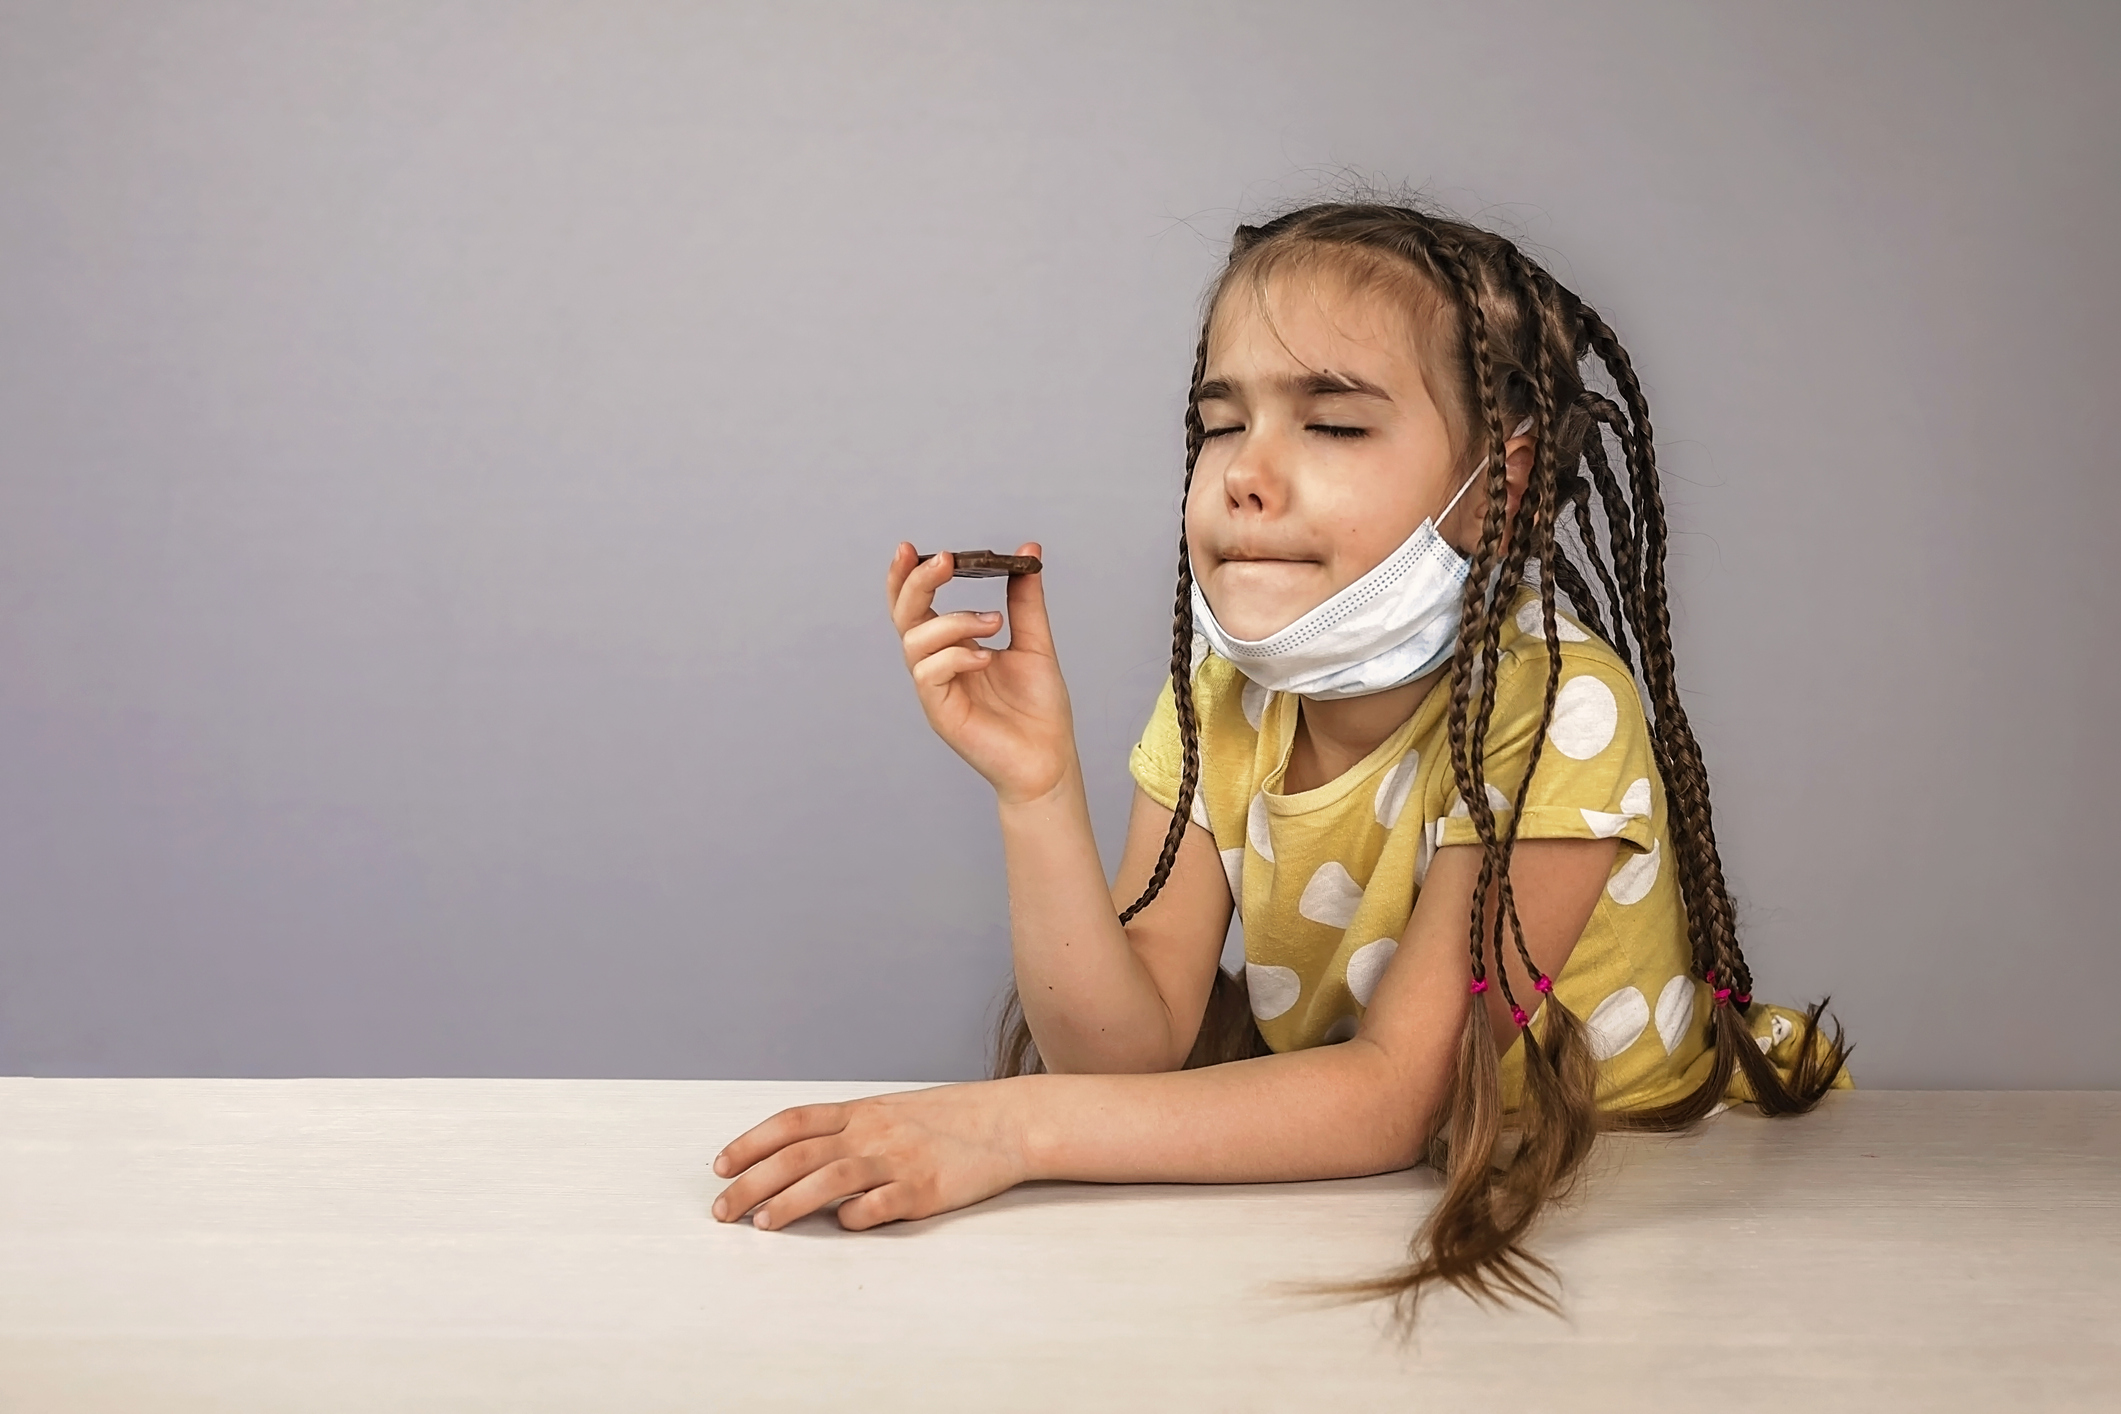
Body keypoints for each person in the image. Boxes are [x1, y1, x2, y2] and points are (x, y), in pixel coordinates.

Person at [709, 200, 1853, 1320]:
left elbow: (1395, 1094)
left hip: (1652, 1188)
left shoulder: (1560, 707)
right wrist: (1037, 789)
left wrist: (1006, 1127)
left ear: (1499, 491)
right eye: (1220, 424)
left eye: (1335, 424)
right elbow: (1131, 1047)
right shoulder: (1222, 697)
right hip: (1380, 1195)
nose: (1247, 472)